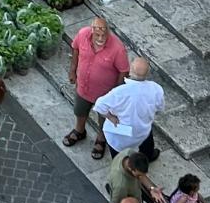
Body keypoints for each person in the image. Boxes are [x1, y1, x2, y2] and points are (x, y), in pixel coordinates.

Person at [66, 17, 128, 159]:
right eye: (97, 35)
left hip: (105, 94)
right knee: (80, 111)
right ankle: (79, 131)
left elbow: (124, 70)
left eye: (104, 35)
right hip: (83, 86)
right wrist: (72, 70)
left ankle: (101, 139)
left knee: (104, 118)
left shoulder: (118, 48)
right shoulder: (83, 34)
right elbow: (75, 49)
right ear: (91, 31)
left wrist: (116, 93)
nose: (101, 38)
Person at [92, 56, 164, 170]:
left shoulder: (120, 92)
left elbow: (99, 106)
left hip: (120, 133)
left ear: (130, 71)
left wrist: (110, 117)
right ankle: (146, 158)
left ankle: (121, 169)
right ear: (147, 73)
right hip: (142, 130)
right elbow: (160, 108)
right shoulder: (156, 89)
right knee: (147, 143)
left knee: (119, 157)